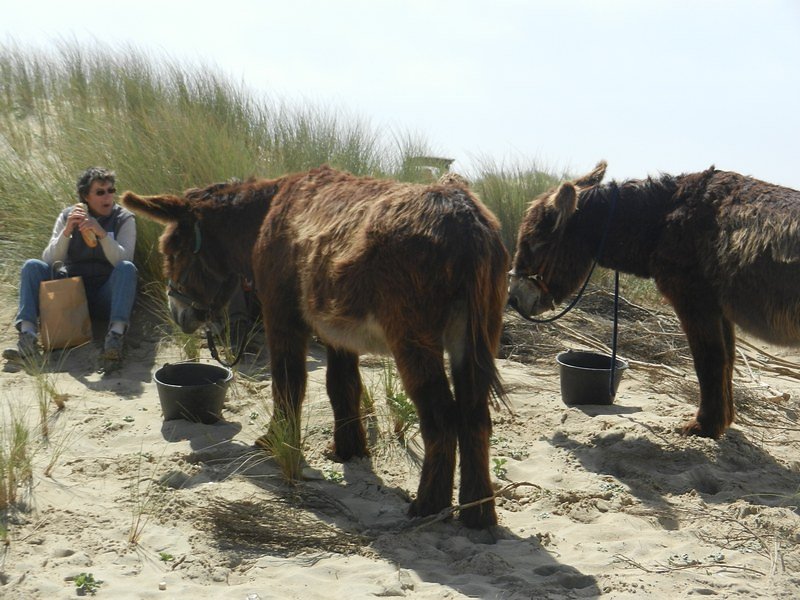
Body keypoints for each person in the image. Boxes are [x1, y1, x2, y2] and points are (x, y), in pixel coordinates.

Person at [3, 167, 137, 363]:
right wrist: (67, 232)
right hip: (70, 293)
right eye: (100, 192)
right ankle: (28, 337)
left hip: (105, 295)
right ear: (85, 196)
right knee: (32, 266)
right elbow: (49, 259)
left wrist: (101, 234)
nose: (107, 197)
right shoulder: (68, 216)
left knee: (127, 268)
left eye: (111, 190)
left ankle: (115, 338)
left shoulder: (124, 218)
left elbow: (124, 260)